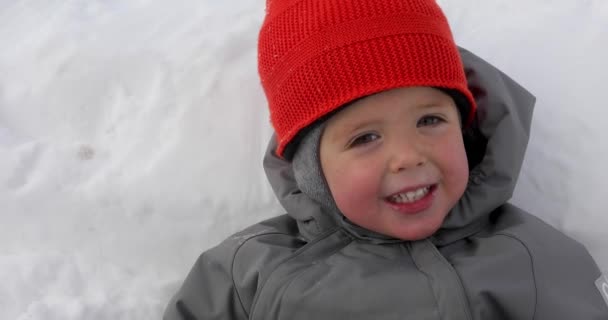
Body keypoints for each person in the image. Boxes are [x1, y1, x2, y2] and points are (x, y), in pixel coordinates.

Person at [164, 0, 608, 319]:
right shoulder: (250, 272)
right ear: (312, 170)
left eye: (430, 120)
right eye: (366, 137)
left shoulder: (530, 259)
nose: (408, 156)